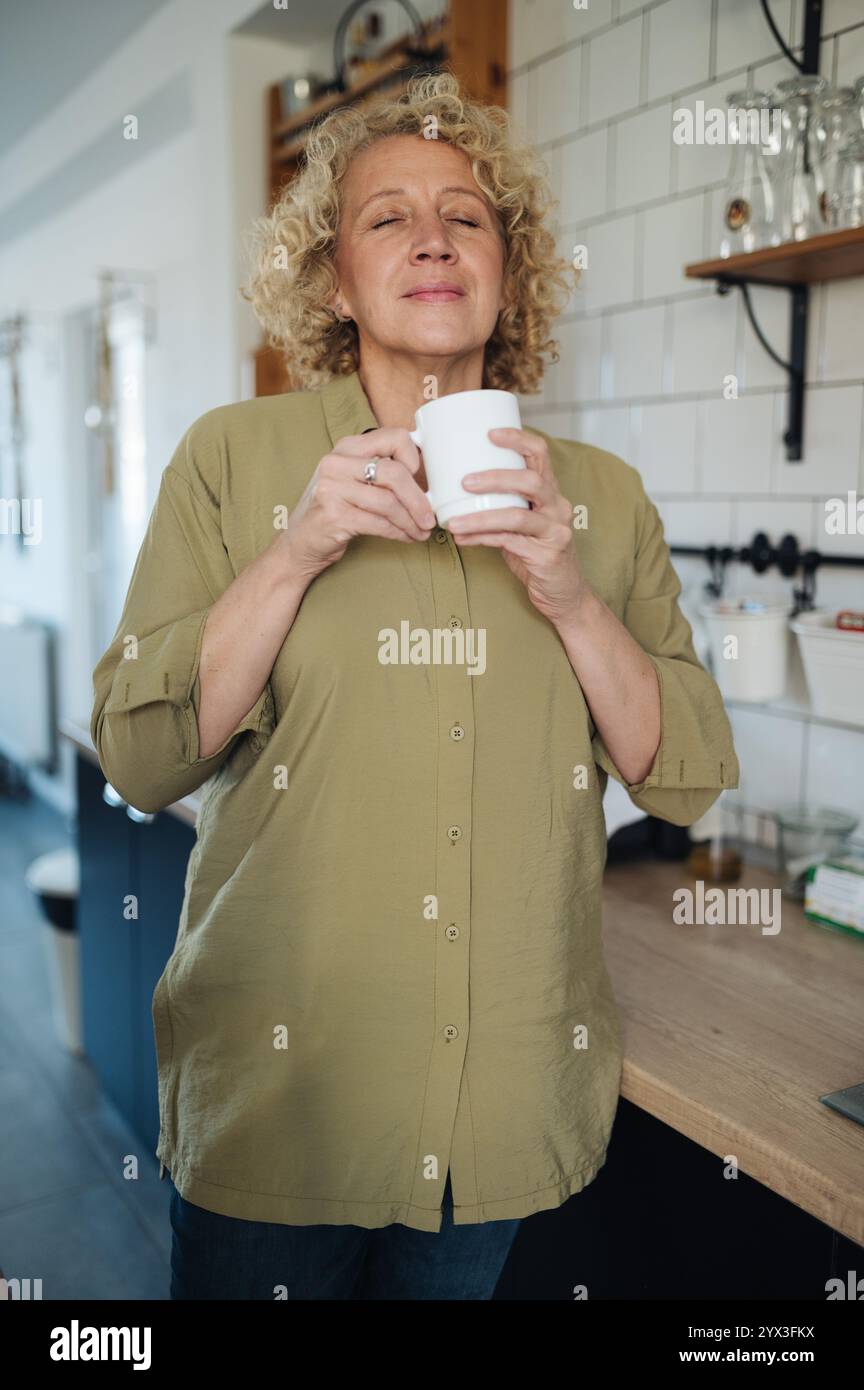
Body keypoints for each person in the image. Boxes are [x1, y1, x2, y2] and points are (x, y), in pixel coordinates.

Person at [90, 70, 739, 1300]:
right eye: (387, 216)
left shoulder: (599, 497)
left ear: (510, 266)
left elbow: (684, 777)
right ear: (333, 279)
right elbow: (141, 757)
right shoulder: (235, 460)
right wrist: (296, 551)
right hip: (284, 1115)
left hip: (498, 1120)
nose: (433, 237)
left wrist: (569, 595)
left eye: (467, 214)